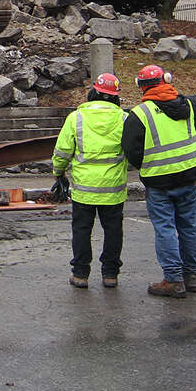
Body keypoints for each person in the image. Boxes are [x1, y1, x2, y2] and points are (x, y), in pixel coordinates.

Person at [122, 64, 196, 299]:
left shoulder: (139, 115)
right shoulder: (188, 105)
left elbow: (131, 151)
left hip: (159, 181)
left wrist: (146, 166)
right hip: (188, 177)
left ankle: (173, 280)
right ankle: (190, 276)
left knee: (165, 228)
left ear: (141, 87)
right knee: (189, 226)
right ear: (167, 80)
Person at [51, 72, 128, 289]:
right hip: (113, 189)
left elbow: (63, 151)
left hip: (84, 189)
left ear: (93, 92)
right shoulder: (124, 118)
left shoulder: (76, 118)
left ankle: (81, 274)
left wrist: (58, 172)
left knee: (82, 230)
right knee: (113, 230)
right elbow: (133, 149)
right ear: (115, 97)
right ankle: (110, 275)